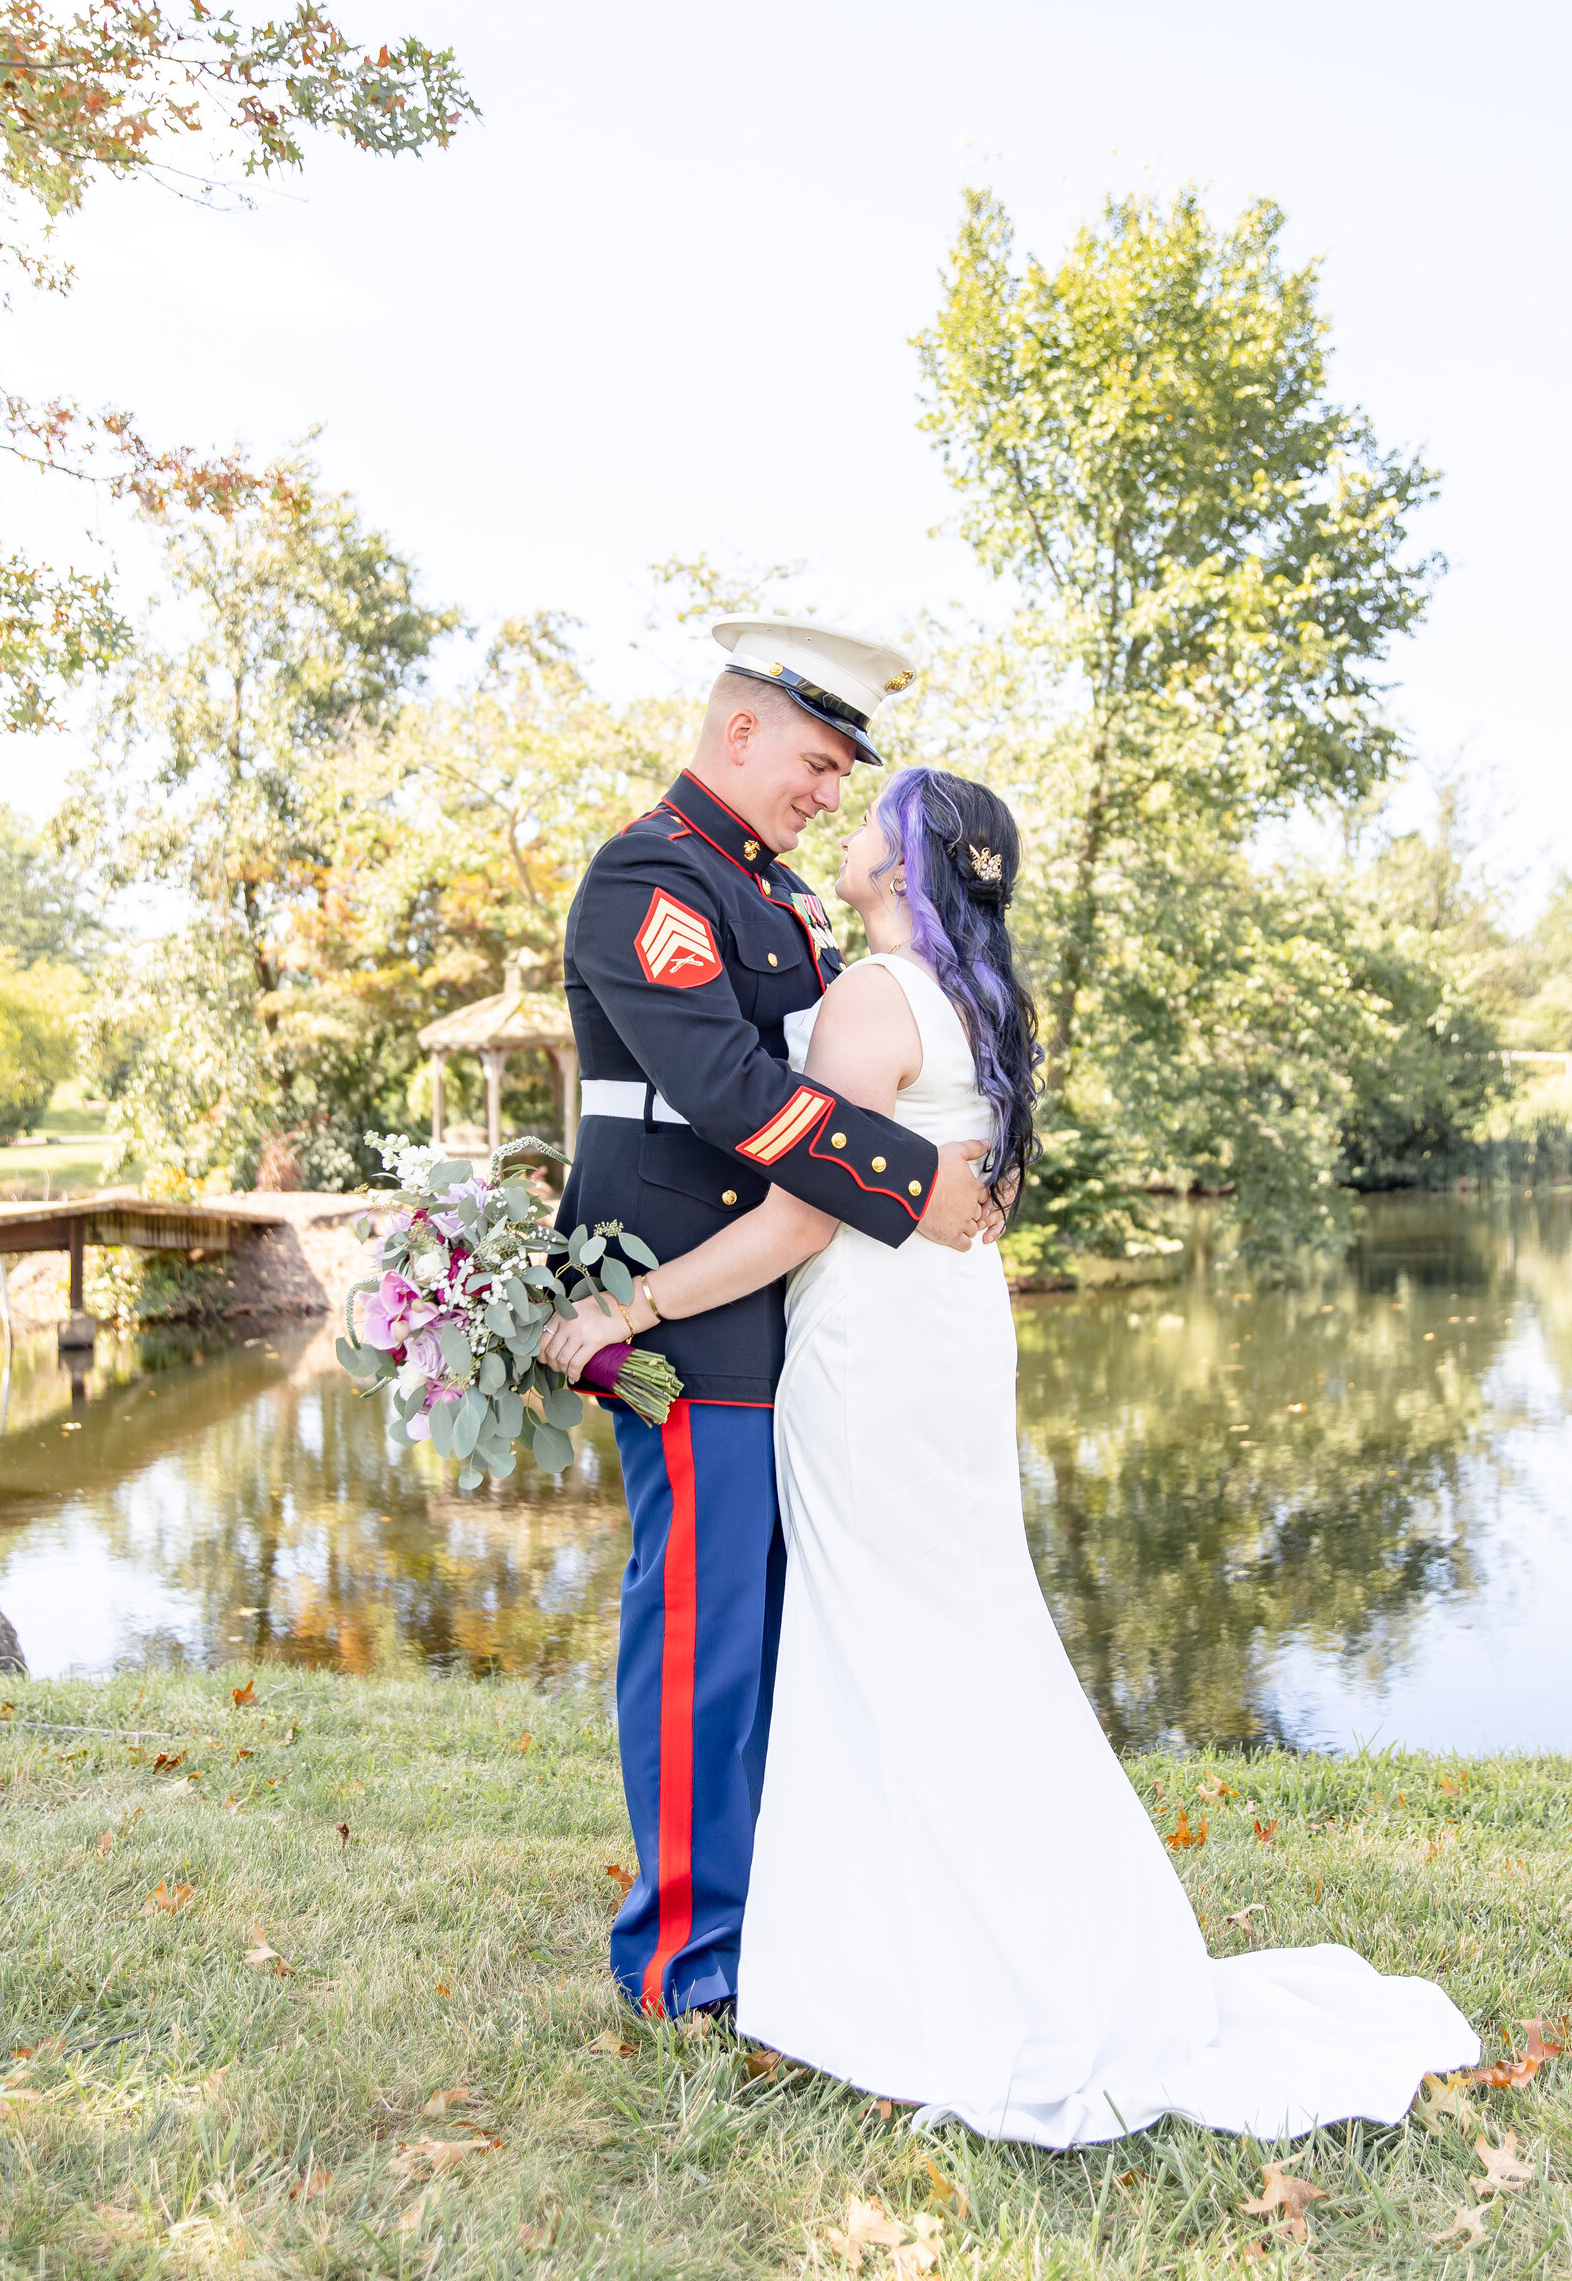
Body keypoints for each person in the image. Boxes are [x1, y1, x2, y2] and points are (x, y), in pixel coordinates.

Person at [544, 766, 1480, 2146]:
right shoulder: (982, 1005)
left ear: (908, 860)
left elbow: (809, 1212)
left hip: (867, 1349)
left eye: (875, 814)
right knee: (956, 1620)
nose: (846, 818)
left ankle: (912, 1951)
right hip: (950, 1341)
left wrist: (640, 1301)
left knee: (885, 1632)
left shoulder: (871, 992)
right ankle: (938, 1920)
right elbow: (974, 1184)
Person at [554, 620, 993, 2021]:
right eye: (815, 760)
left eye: (840, 772)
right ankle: (687, 1963)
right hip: (675, 1298)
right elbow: (738, 1094)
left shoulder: (779, 896)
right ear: (737, 731)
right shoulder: (651, 878)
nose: (824, 791)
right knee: (703, 1634)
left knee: (776, 1631)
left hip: (780, 1296)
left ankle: (777, 1920)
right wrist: (915, 1182)